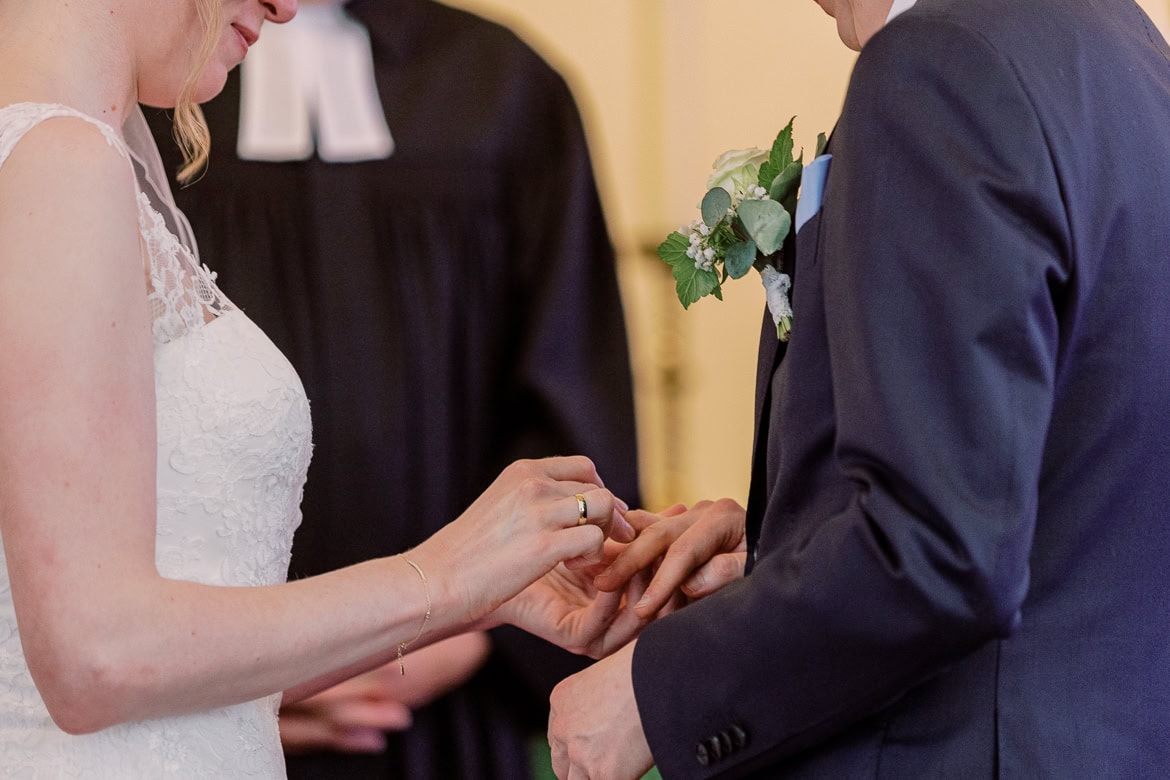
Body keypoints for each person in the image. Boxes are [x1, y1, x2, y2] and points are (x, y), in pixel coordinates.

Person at [0, 0, 650, 776]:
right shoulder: (60, 162)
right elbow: (94, 656)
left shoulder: (66, 153)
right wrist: (442, 577)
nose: (286, 6)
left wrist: (483, 598)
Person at [548, 0, 1170, 776]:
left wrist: (659, 692)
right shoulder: (1119, 44)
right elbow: (1069, 493)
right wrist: (780, 558)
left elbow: (939, 551)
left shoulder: (941, 61)